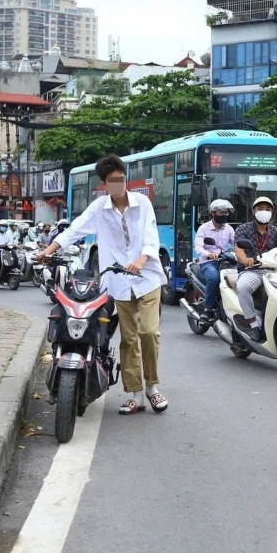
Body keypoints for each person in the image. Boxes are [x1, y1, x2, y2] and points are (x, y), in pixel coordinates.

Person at [39, 154, 168, 415]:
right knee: (128, 339)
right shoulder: (99, 208)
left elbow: (151, 238)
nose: (118, 185)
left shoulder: (142, 203)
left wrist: (141, 261)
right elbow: (74, 230)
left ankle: (152, 387)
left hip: (147, 278)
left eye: (121, 179)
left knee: (149, 332)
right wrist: (48, 251)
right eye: (112, 181)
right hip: (118, 282)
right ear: (104, 184)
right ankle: (135, 395)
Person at [233, 196, 277, 341]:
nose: (264, 212)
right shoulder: (243, 229)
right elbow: (239, 250)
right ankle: (253, 324)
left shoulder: (275, 231)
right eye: (260, 209)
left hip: (273, 271)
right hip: (252, 270)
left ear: (272, 212)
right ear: (254, 211)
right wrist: (245, 260)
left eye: (267, 209)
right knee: (243, 287)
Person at [194, 199, 236, 320]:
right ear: (213, 213)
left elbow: (236, 243)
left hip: (225, 261)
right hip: (208, 263)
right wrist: (208, 254)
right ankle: (208, 308)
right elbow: (198, 247)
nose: (224, 215)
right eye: (221, 212)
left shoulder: (229, 229)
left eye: (226, 212)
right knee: (214, 278)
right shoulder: (203, 228)